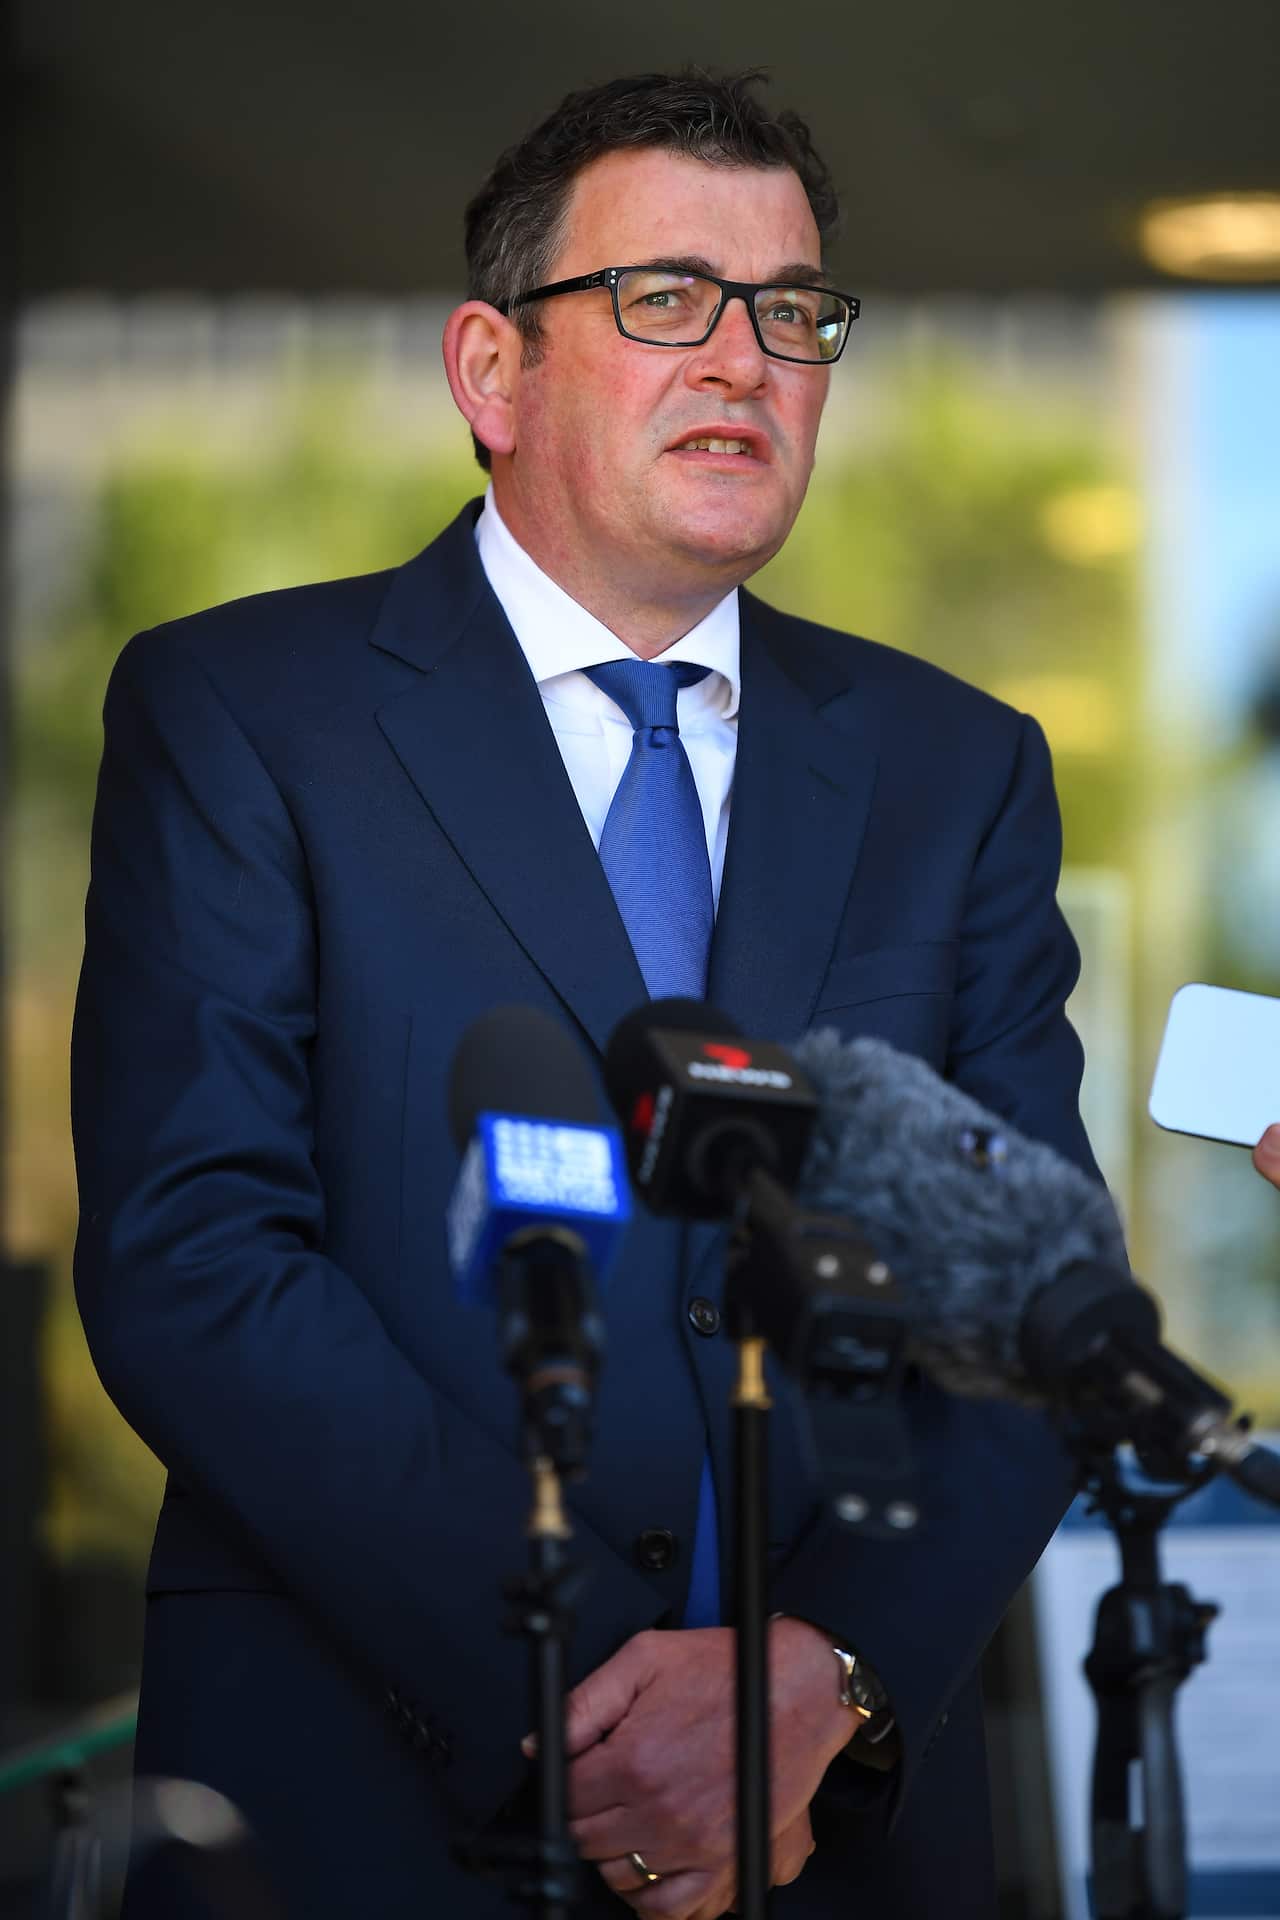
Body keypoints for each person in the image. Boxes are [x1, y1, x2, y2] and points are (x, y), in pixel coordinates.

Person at [71, 70, 1111, 1920]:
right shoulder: (244, 712)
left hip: (832, 1831)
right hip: (368, 1800)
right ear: (491, 372)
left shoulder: (958, 769)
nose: (744, 360)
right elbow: (195, 1255)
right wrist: (603, 1689)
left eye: (793, 313)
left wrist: (818, 1684)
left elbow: (1033, 1299)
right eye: (665, 300)